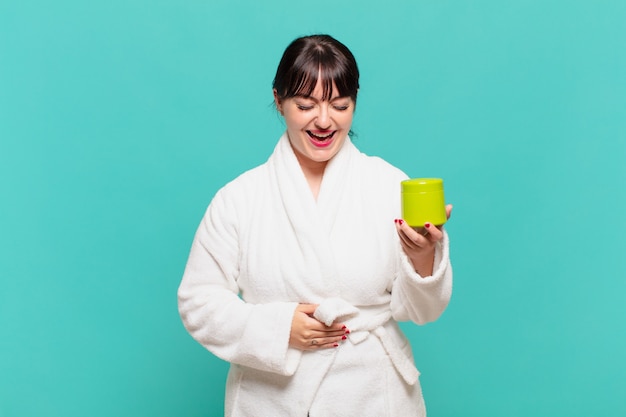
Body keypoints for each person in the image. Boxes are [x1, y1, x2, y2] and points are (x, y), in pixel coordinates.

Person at [178, 34, 453, 417]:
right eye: (306, 105)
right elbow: (198, 301)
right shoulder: (239, 198)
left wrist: (423, 258)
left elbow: (423, 311)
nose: (324, 121)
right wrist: (277, 328)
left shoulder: (389, 186)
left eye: (340, 106)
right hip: (271, 398)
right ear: (279, 101)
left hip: (373, 395)